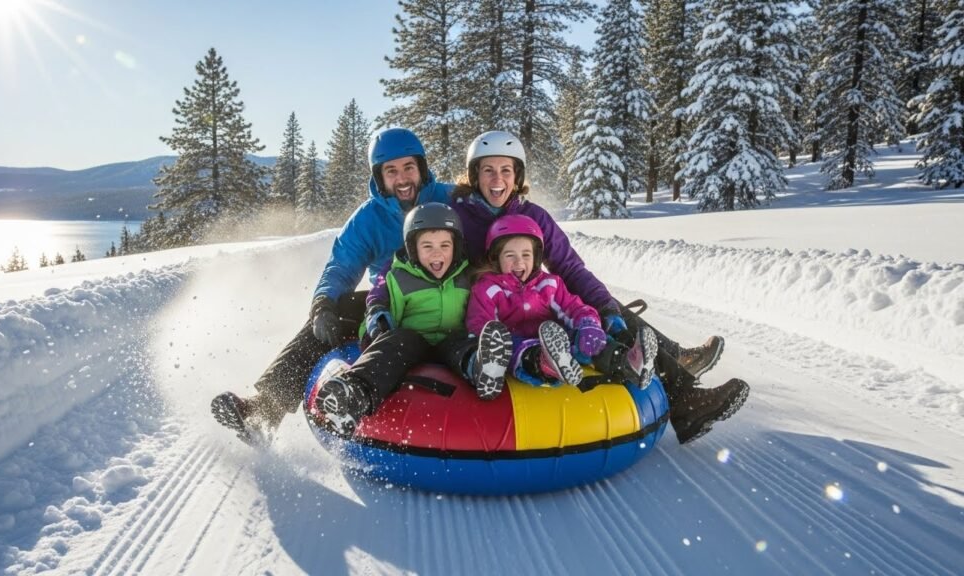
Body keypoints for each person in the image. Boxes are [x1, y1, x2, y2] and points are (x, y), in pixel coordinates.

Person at [451, 131, 748, 444]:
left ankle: (684, 395)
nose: (497, 179)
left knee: (604, 310)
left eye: (506, 170)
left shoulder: (532, 215)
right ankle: (674, 360)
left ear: (518, 175)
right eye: (488, 170)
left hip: (535, 304)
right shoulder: (458, 216)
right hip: (486, 310)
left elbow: (568, 267)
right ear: (474, 175)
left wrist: (605, 308)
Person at [211, 128, 455, 445]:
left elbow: (499, 225)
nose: (402, 178)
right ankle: (263, 411)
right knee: (332, 315)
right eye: (391, 171)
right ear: (380, 178)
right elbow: (342, 266)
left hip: (453, 300)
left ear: (422, 168)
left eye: (408, 167)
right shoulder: (369, 218)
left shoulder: (451, 200)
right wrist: (323, 304)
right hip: (391, 303)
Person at [313, 203, 513, 436]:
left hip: (451, 339)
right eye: (427, 246)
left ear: (457, 247)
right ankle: (355, 392)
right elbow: (377, 298)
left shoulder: (469, 274)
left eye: (445, 246)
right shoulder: (398, 275)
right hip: (411, 341)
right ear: (412, 248)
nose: (437, 253)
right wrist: (378, 318)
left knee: (463, 342)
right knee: (400, 341)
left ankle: (480, 368)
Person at [466, 214, 658, 390]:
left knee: (589, 341)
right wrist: (499, 344)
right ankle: (545, 364)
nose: (519, 262)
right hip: (518, 344)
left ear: (536, 258)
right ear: (496, 258)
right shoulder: (488, 289)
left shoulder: (549, 284)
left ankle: (627, 361)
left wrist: (588, 324)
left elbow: (573, 307)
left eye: (526, 255)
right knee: (520, 352)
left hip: (559, 343)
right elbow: (480, 324)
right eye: (510, 256)